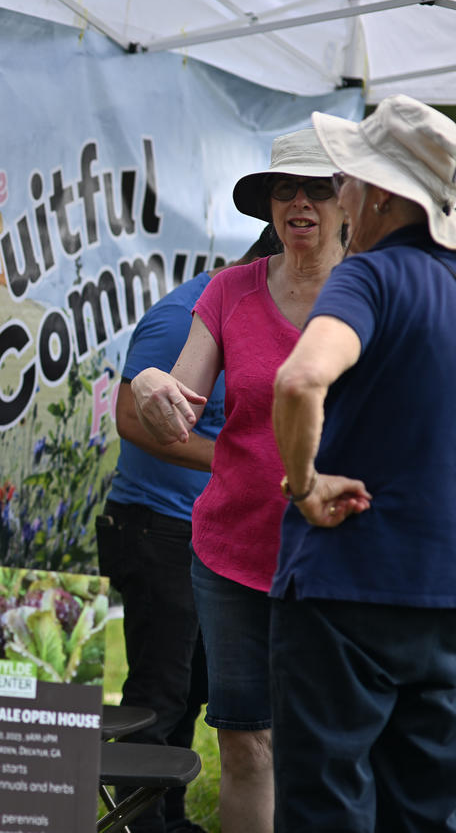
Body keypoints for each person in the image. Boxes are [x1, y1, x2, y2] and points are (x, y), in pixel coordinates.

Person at [130, 129, 345, 833]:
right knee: (247, 744)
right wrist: (153, 385)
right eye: (287, 188)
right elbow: (171, 409)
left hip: (340, 557)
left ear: (350, 200)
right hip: (232, 558)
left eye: (318, 187)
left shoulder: (373, 289)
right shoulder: (228, 293)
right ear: (270, 206)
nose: (301, 202)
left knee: (330, 749)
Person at [270, 96, 456, 831]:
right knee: (427, 811)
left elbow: (300, 378)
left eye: (343, 177)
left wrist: (303, 483)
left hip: (344, 590)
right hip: (444, 599)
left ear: (378, 193)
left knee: (326, 809)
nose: (336, 190)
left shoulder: (368, 277)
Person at [97, 223, 279, 833]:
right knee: (160, 692)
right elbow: (131, 417)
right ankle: (138, 828)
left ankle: (167, 819)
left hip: (202, 537)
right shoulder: (187, 316)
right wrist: (244, 459)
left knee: (193, 691)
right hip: (157, 530)